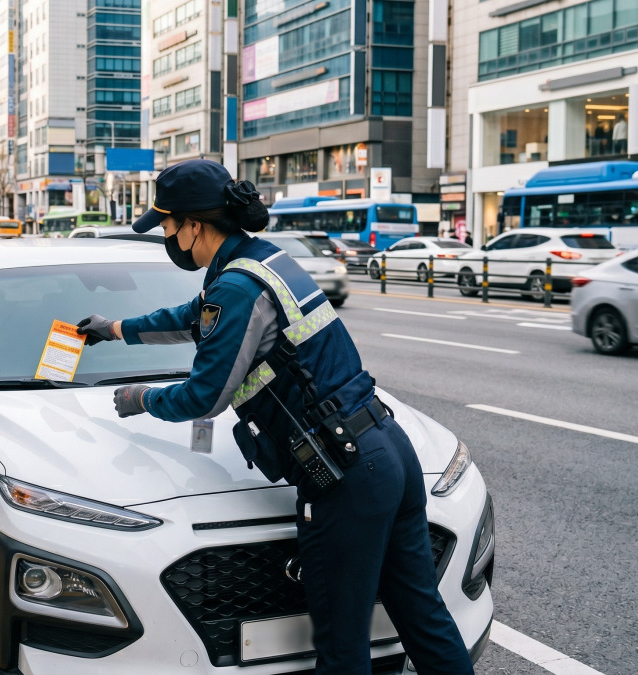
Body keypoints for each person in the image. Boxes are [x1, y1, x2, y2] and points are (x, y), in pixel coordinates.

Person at [75, 159, 474, 674]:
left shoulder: (236, 288)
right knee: (422, 614)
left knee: (342, 643)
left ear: (194, 225)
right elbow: (192, 318)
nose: (167, 238)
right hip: (386, 448)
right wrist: (114, 328)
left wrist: (141, 398)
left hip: (345, 472)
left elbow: (204, 397)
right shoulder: (263, 261)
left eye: (168, 226)